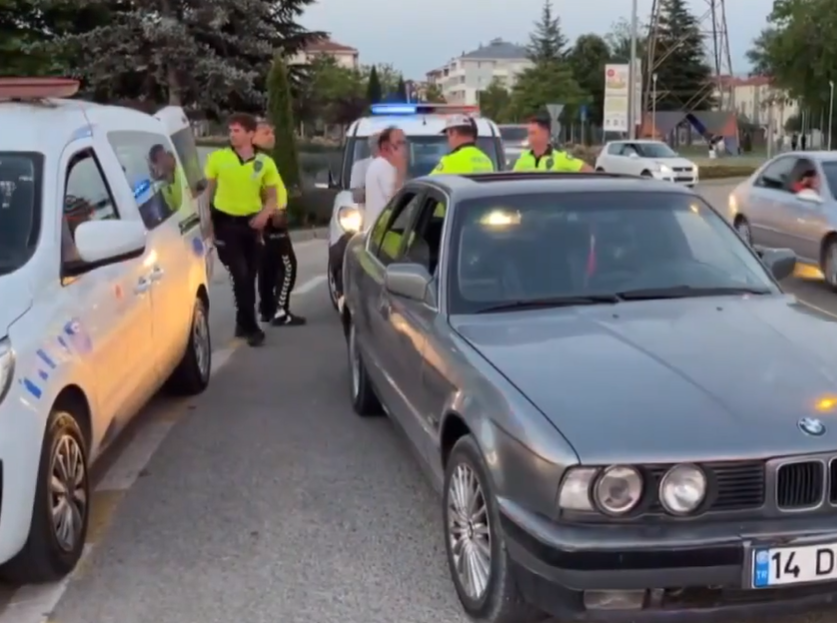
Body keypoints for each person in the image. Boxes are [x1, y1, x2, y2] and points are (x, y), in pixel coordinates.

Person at [204, 113, 280, 346]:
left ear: (250, 134)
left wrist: (264, 215)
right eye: (230, 130)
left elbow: (272, 197)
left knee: (250, 274)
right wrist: (206, 225)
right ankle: (251, 328)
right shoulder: (218, 158)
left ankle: (241, 321)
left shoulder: (264, 163)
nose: (232, 134)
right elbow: (206, 193)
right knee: (241, 274)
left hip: (251, 226)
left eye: (237, 130)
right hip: (226, 224)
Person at [252, 119, 306, 326]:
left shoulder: (256, 159)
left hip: (265, 222)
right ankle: (280, 310)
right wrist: (272, 211)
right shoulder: (260, 161)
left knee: (268, 267)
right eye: (266, 133)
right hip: (272, 222)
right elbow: (257, 189)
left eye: (272, 133)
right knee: (288, 266)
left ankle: (267, 309)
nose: (272, 137)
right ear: (253, 135)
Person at [512, 115, 593, 172]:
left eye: (533, 133)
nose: (529, 137)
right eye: (529, 133)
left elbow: (588, 171)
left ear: (545, 134)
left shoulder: (561, 158)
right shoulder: (522, 158)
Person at [429, 115, 494, 175]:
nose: (448, 140)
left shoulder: (450, 161)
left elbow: (427, 184)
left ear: (453, 132)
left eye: (447, 135)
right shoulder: (486, 161)